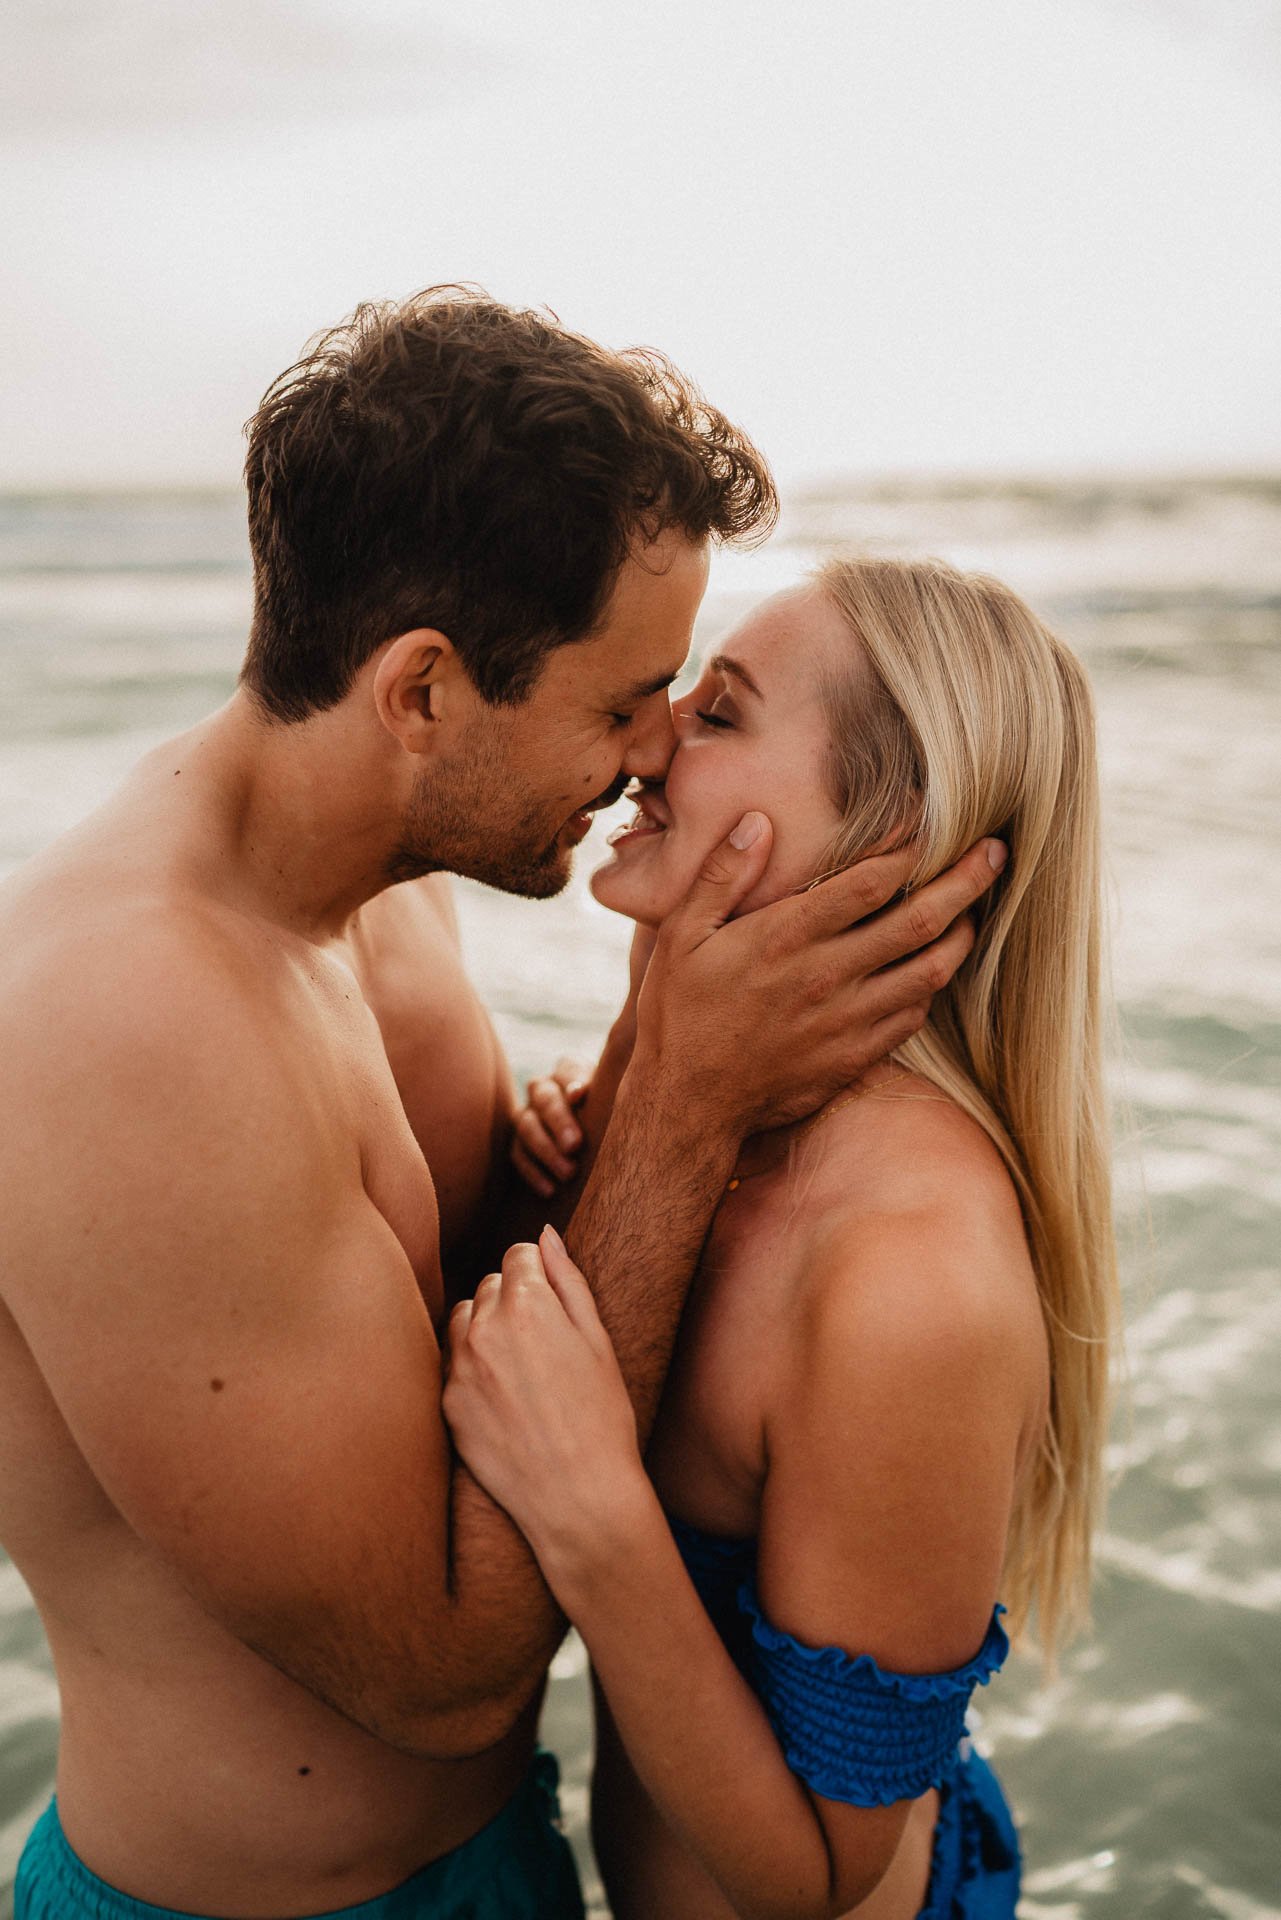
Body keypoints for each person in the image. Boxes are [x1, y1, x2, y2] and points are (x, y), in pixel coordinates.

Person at [0, 292, 1003, 1920]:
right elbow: (443, 1668)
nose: (655, 750)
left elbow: (478, 1361)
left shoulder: (386, 897)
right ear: (421, 692)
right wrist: (675, 1104)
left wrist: (606, 1116)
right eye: (624, 699)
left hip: (506, 1854)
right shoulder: (124, 1021)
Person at [445, 554, 1121, 1920]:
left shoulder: (903, 1276)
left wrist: (594, 1513)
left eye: (719, 714)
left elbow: (819, 1878)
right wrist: (568, 1160)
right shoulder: (696, 1102)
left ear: (889, 834)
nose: (646, 744)